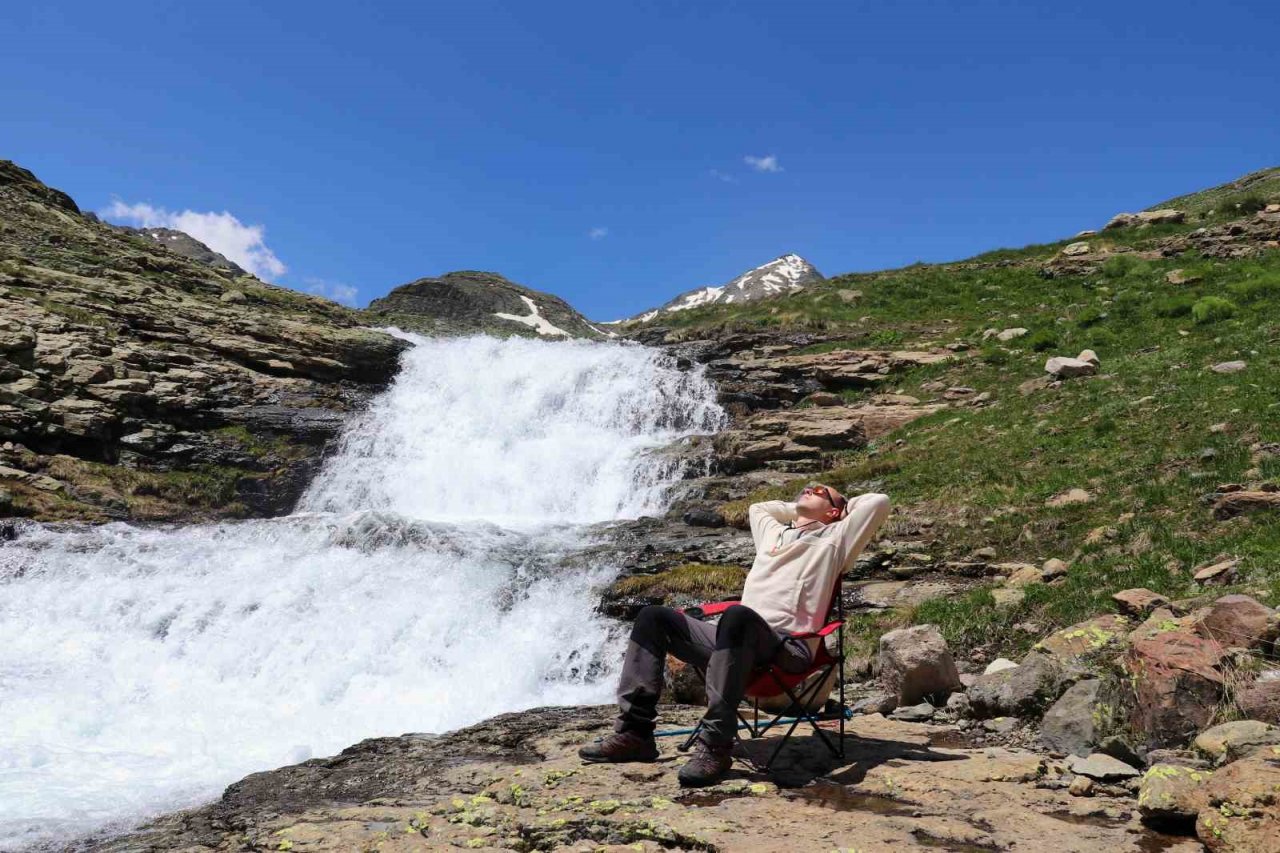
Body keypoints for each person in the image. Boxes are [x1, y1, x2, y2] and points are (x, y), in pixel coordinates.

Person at [579, 484, 892, 786]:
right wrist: (799, 509)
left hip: (787, 648)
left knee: (738, 616)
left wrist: (840, 511)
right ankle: (635, 734)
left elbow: (878, 502)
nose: (810, 490)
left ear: (836, 512)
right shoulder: (772, 533)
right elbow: (758, 508)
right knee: (652, 617)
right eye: (807, 488)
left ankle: (715, 745)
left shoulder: (838, 539)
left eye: (821, 492)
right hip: (733, 641)